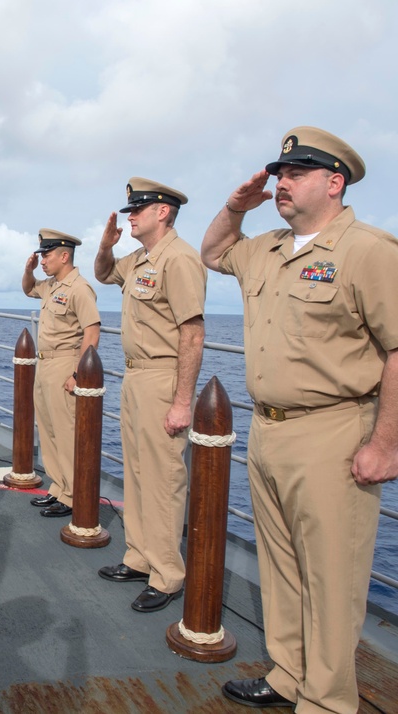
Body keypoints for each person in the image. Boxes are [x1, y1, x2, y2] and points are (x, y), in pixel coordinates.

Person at [200, 127, 398, 712]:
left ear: (334, 183)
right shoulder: (265, 247)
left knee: (332, 580)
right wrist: (236, 206)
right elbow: (213, 253)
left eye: (295, 174)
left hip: (333, 431)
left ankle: (329, 700)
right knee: (282, 566)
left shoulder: (368, 251)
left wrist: (386, 443)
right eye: (279, 174)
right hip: (268, 429)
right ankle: (289, 675)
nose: (281, 183)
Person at [94, 177, 205, 613]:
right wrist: (106, 245)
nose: (130, 216)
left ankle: (167, 575)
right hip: (135, 377)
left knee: (163, 481)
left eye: (138, 209)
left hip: (163, 378)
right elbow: (103, 273)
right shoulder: (140, 258)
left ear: (163, 211)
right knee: (137, 473)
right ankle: (139, 557)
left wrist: (182, 401)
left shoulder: (179, 259)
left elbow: (192, 333)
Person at [23, 229, 101, 517]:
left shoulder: (80, 289)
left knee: (67, 434)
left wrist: (78, 374)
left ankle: (73, 495)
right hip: (45, 366)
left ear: (64, 256)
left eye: (47, 254)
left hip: (65, 364)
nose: (43, 260)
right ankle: (59, 488)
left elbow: (92, 331)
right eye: (42, 254)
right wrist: (28, 270)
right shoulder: (51, 286)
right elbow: (28, 289)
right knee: (49, 430)